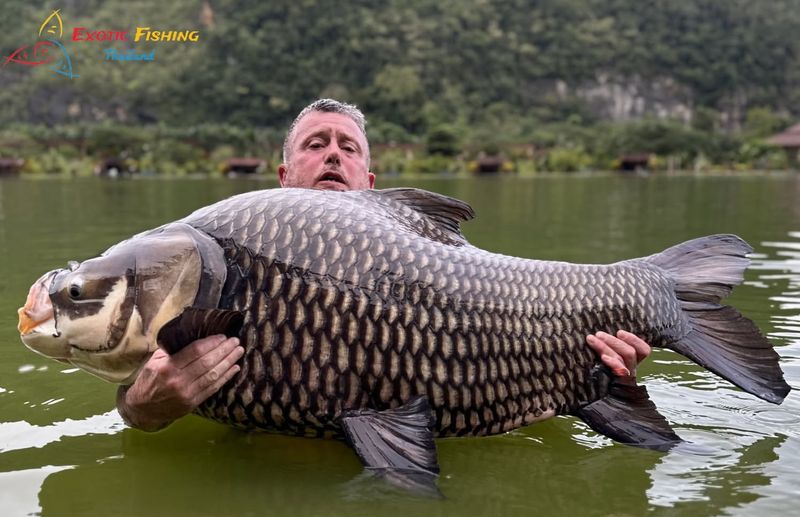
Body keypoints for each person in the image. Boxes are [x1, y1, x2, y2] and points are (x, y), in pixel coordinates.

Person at [117, 99, 651, 431]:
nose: (332, 154)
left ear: (372, 186)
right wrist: (143, 407)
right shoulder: (208, 259)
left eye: (348, 147)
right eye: (316, 144)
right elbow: (135, 390)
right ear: (282, 178)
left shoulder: (446, 270)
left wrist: (594, 370)